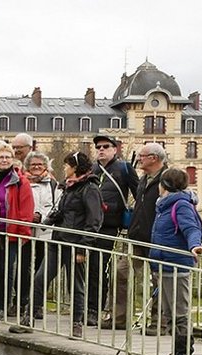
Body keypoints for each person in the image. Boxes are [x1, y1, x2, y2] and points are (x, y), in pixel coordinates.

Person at [35, 150, 104, 336]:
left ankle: (77, 323)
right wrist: (49, 220)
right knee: (40, 279)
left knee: (76, 286)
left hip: (75, 245)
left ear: (74, 168)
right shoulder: (69, 187)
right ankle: (29, 314)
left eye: (66, 165)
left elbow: (94, 221)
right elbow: (65, 211)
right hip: (57, 241)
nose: (64, 168)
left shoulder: (90, 189)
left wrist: (83, 248)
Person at [148, 167, 202, 355]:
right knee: (170, 311)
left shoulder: (180, 205)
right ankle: (178, 353)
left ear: (164, 186)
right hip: (163, 266)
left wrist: (194, 246)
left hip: (176, 266)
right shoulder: (164, 206)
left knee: (178, 312)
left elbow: (191, 228)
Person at [0, 143, 36, 320]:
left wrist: (22, 233)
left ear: (13, 159)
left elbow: (26, 210)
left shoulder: (20, 182)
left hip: (10, 232)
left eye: (7, 157)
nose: (4, 160)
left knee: (6, 270)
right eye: (0, 157)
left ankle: (3, 305)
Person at [92, 133, 139, 327]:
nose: (101, 149)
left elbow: (138, 194)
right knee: (93, 270)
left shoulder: (125, 168)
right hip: (91, 226)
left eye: (105, 146)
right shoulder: (92, 169)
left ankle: (101, 309)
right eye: (98, 147)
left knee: (105, 269)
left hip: (112, 226)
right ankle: (91, 308)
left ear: (114, 149)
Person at [126, 142, 170, 331]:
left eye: (142, 156)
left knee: (158, 280)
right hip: (137, 235)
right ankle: (119, 317)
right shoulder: (143, 178)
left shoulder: (167, 179)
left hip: (156, 238)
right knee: (122, 272)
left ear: (154, 158)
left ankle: (158, 322)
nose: (139, 159)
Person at [24, 152, 61, 323]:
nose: (37, 167)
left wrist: (42, 217)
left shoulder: (54, 184)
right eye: (33, 165)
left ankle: (37, 305)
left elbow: (57, 206)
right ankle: (23, 301)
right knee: (23, 268)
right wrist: (28, 216)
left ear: (46, 166)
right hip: (25, 230)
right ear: (27, 167)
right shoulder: (22, 183)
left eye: (40, 164)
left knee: (42, 269)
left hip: (45, 232)